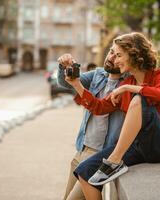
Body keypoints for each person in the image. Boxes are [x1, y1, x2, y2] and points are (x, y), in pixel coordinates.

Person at [65, 32, 160, 200]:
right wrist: (77, 84)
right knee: (84, 173)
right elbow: (100, 106)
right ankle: (114, 162)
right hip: (136, 146)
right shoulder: (127, 84)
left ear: (135, 55)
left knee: (139, 100)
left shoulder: (158, 76)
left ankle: (114, 161)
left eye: (119, 55)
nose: (115, 60)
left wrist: (128, 89)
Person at [57, 48, 127, 200]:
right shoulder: (98, 74)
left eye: (118, 55)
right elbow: (66, 83)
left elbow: (98, 107)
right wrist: (65, 67)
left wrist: (77, 85)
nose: (111, 57)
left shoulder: (127, 85)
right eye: (111, 52)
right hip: (82, 149)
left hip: (100, 154)